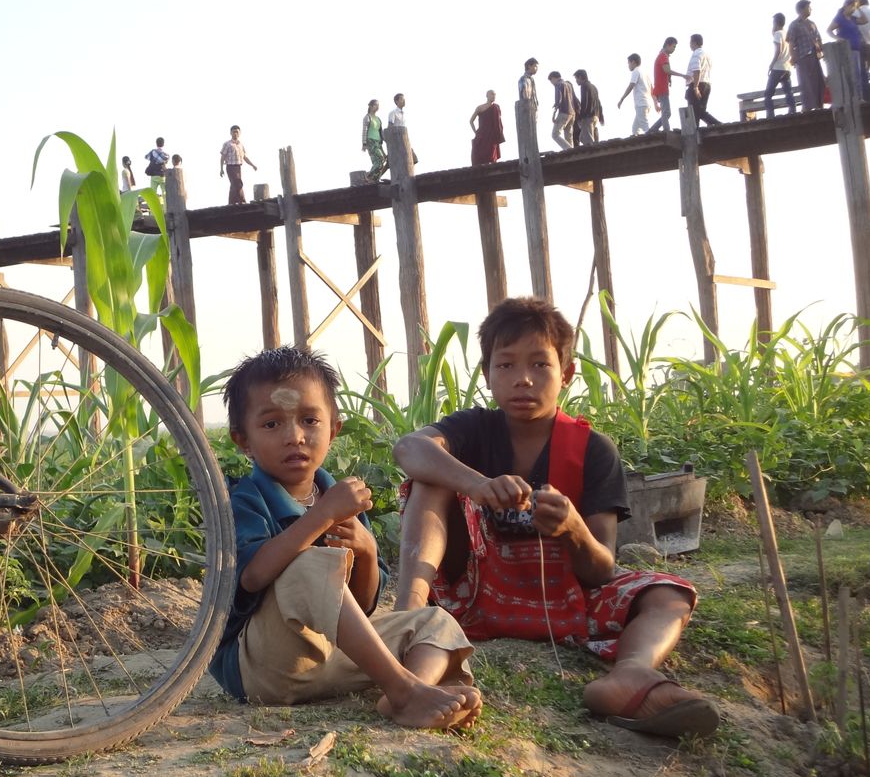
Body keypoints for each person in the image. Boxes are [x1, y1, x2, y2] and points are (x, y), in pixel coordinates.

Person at [393, 297, 720, 739]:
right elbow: (408, 448)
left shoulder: (593, 450)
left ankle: (630, 674)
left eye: (540, 365)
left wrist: (573, 530)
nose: (522, 379)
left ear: (565, 375)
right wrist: (476, 485)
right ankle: (408, 619)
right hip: (473, 594)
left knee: (669, 594)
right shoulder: (474, 429)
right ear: (488, 375)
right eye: (505, 365)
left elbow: (601, 568)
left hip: (562, 600)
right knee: (429, 477)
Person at [207, 346, 482, 730]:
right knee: (304, 565)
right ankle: (405, 690)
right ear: (243, 440)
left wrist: (367, 552)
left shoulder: (337, 496)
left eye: (309, 420)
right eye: (272, 425)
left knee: (433, 621)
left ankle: (409, 690)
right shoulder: (245, 499)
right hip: (264, 665)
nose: (295, 437)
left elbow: (363, 604)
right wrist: (322, 517)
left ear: (333, 429)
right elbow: (252, 576)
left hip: (332, 659)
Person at [828, 0, 870, 103]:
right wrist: (838, 39)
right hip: (847, 49)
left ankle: (859, 97)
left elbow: (864, 20)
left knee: (858, 74)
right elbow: (829, 30)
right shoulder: (840, 18)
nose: (853, 9)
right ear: (846, 6)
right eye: (852, 6)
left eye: (854, 7)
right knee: (852, 74)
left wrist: (858, 9)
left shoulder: (852, 18)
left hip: (856, 49)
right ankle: (854, 97)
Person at [788, 0, 825, 111]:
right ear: (801, 9)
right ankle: (808, 108)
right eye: (808, 7)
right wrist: (794, 58)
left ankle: (819, 106)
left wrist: (823, 51)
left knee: (819, 82)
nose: (810, 9)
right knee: (806, 83)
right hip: (802, 57)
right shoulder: (794, 25)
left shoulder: (812, 23)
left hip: (815, 56)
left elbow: (819, 39)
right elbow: (791, 43)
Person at [684, 34, 721, 127]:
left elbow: (697, 71)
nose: (690, 45)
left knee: (693, 112)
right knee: (700, 111)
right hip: (707, 84)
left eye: (690, 42)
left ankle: (717, 124)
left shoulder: (696, 54)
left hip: (698, 83)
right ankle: (716, 124)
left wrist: (695, 87)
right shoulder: (706, 55)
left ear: (694, 43)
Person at [766, 13, 796, 118]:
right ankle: (793, 111)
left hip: (778, 67)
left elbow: (778, 50)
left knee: (768, 94)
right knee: (788, 91)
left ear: (775, 23)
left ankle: (770, 115)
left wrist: (771, 64)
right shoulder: (786, 33)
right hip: (787, 68)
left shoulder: (778, 34)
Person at [649, 37, 683, 133]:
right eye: (673, 46)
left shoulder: (662, 55)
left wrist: (669, 78)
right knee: (666, 113)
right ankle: (665, 130)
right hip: (661, 88)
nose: (674, 49)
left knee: (666, 113)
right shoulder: (663, 56)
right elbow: (666, 70)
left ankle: (653, 129)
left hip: (661, 88)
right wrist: (683, 75)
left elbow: (665, 70)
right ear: (668, 45)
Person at [219, 125, 257, 205]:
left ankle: (231, 203)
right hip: (230, 166)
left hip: (238, 167)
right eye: (234, 132)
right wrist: (221, 169)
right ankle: (242, 201)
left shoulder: (240, 145)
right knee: (237, 183)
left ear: (239, 133)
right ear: (230, 133)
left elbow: (245, 157)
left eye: (237, 132)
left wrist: (253, 165)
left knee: (234, 184)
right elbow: (222, 157)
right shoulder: (227, 144)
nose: (235, 134)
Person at [617, 53, 654, 135]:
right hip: (647, 103)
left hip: (641, 103)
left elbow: (631, 86)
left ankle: (654, 140)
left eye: (628, 63)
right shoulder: (645, 73)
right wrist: (655, 102)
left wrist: (621, 99)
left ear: (633, 62)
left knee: (645, 127)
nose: (628, 65)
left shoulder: (636, 71)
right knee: (635, 129)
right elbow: (652, 88)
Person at [470, 90, 505, 165]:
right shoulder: (480, 108)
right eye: (492, 94)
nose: (493, 96)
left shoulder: (496, 107)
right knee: (478, 154)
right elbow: (471, 121)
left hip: (491, 136)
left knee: (491, 158)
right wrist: (476, 133)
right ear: (487, 95)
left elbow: (498, 124)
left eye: (495, 94)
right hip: (482, 135)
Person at [547, 71, 578, 151]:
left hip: (564, 112)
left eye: (551, 81)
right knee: (568, 135)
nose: (552, 83)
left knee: (555, 134)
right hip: (572, 113)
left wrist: (554, 115)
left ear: (553, 78)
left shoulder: (558, 84)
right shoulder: (569, 84)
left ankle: (569, 150)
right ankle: (572, 153)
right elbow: (575, 99)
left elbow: (559, 100)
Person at [573, 69, 603, 145]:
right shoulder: (593, 87)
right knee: (582, 137)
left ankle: (593, 154)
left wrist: (580, 117)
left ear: (580, 77)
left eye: (576, 78)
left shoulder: (584, 86)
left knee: (588, 141)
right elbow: (599, 103)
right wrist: (601, 117)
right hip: (596, 116)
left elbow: (584, 102)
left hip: (588, 117)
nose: (576, 81)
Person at [362, 99, 388, 183]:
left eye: (378, 105)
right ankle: (368, 176)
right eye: (376, 105)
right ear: (370, 106)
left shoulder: (378, 119)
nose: (377, 107)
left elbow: (381, 132)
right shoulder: (367, 117)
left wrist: (386, 140)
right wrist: (364, 143)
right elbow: (364, 130)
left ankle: (375, 179)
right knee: (380, 159)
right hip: (370, 141)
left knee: (382, 159)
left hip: (378, 142)